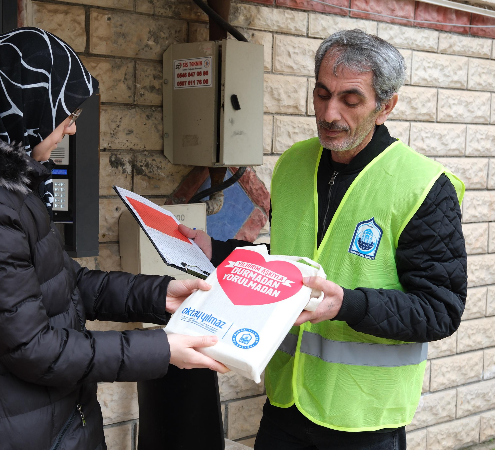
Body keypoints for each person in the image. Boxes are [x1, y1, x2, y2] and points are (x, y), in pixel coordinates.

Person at [0, 28, 227, 450]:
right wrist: (161, 349)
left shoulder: (2, 190)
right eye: (68, 116)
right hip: (11, 433)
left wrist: (160, 295)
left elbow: (65, 282)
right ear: (28, 108)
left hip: (41, 423)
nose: (72, 130)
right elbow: (35, 348)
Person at [181, 29, 467, 450]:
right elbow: (289, 261)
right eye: (321, 94)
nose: (329, 113)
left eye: (350, 100)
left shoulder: (422, 186)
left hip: (363, 420)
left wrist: (347, 304)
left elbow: (440, 310)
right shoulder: (293, 164)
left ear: (385, 107)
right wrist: (218, 252)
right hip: (285, 404)